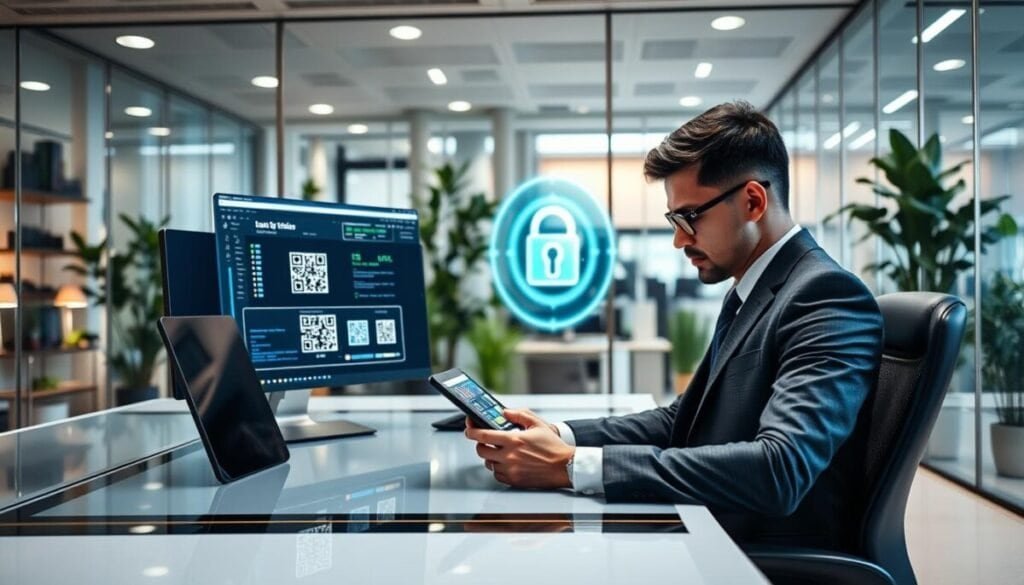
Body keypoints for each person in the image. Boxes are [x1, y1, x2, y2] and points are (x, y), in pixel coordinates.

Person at [465, 100, 884, 549]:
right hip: (712, 531)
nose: (679, 238)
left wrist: (571, 466)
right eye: (674, 219)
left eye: (690, 217)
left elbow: (779, 470)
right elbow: (682, 420)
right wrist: (559, 436)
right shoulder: (754, 291)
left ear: (753, 201)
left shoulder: (825, 296)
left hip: (759, 555)